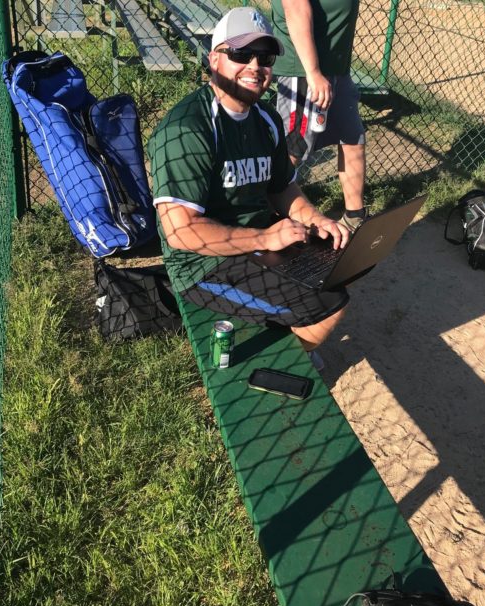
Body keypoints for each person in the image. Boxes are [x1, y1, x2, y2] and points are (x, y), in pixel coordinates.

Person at [148, 7, 351, 365]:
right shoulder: (187, 128)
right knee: (329, 306)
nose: (255, 66)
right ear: (214, 60)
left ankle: (287, 335)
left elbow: (282, 188)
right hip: (201, 265)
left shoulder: (266, 118)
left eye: (265, 56)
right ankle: (286, 360)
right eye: (241, 54)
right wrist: (265, 239)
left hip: (260, 243)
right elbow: (180, 231)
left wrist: (316, 219)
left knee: (336, 266)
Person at [271, 0, 367, 232]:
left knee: (353, 138)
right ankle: (266, 210)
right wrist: (313, 73)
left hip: (335, 67)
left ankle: (355, 217)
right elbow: (295, 8)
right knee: (295, 145)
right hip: (304, 68)